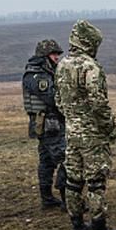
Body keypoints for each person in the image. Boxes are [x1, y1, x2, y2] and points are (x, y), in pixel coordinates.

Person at [55, 20, 116, 230]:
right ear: (90, 42)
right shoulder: (90, 66)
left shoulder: (62, 64)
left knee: (73, 180)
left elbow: (58, 99)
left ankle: (77, 225)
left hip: (71, 131)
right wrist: (109, 127)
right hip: (92, 134)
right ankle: (99, 229)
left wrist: (72, 118)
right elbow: (98, 103)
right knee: (95, 181)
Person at [23, 39, 68, 210]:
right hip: (50, 125)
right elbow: (52, 98)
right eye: (54, 54)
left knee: (47, 161)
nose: (57, 57)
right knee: (65, 159)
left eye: (58, 54)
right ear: (44, 55)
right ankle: (67, 200)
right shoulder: (37, 75)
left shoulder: (45, 72)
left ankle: (48, 199)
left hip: (49, 124)